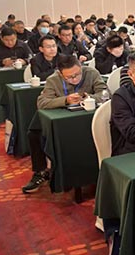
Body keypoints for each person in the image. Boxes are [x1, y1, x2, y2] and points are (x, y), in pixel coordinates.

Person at [22, 55, 107, 193]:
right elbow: (42, 103)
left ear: (81, 67)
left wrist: (89, 98)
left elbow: (105, 93)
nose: (75, 79)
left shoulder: (91, 73)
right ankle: (41, 171)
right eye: (69, 77)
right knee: (34, 133)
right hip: (64, 123)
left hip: (90, 121)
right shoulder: (53, 80)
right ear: (61, 74)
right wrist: (65, 100)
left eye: (77, 74)